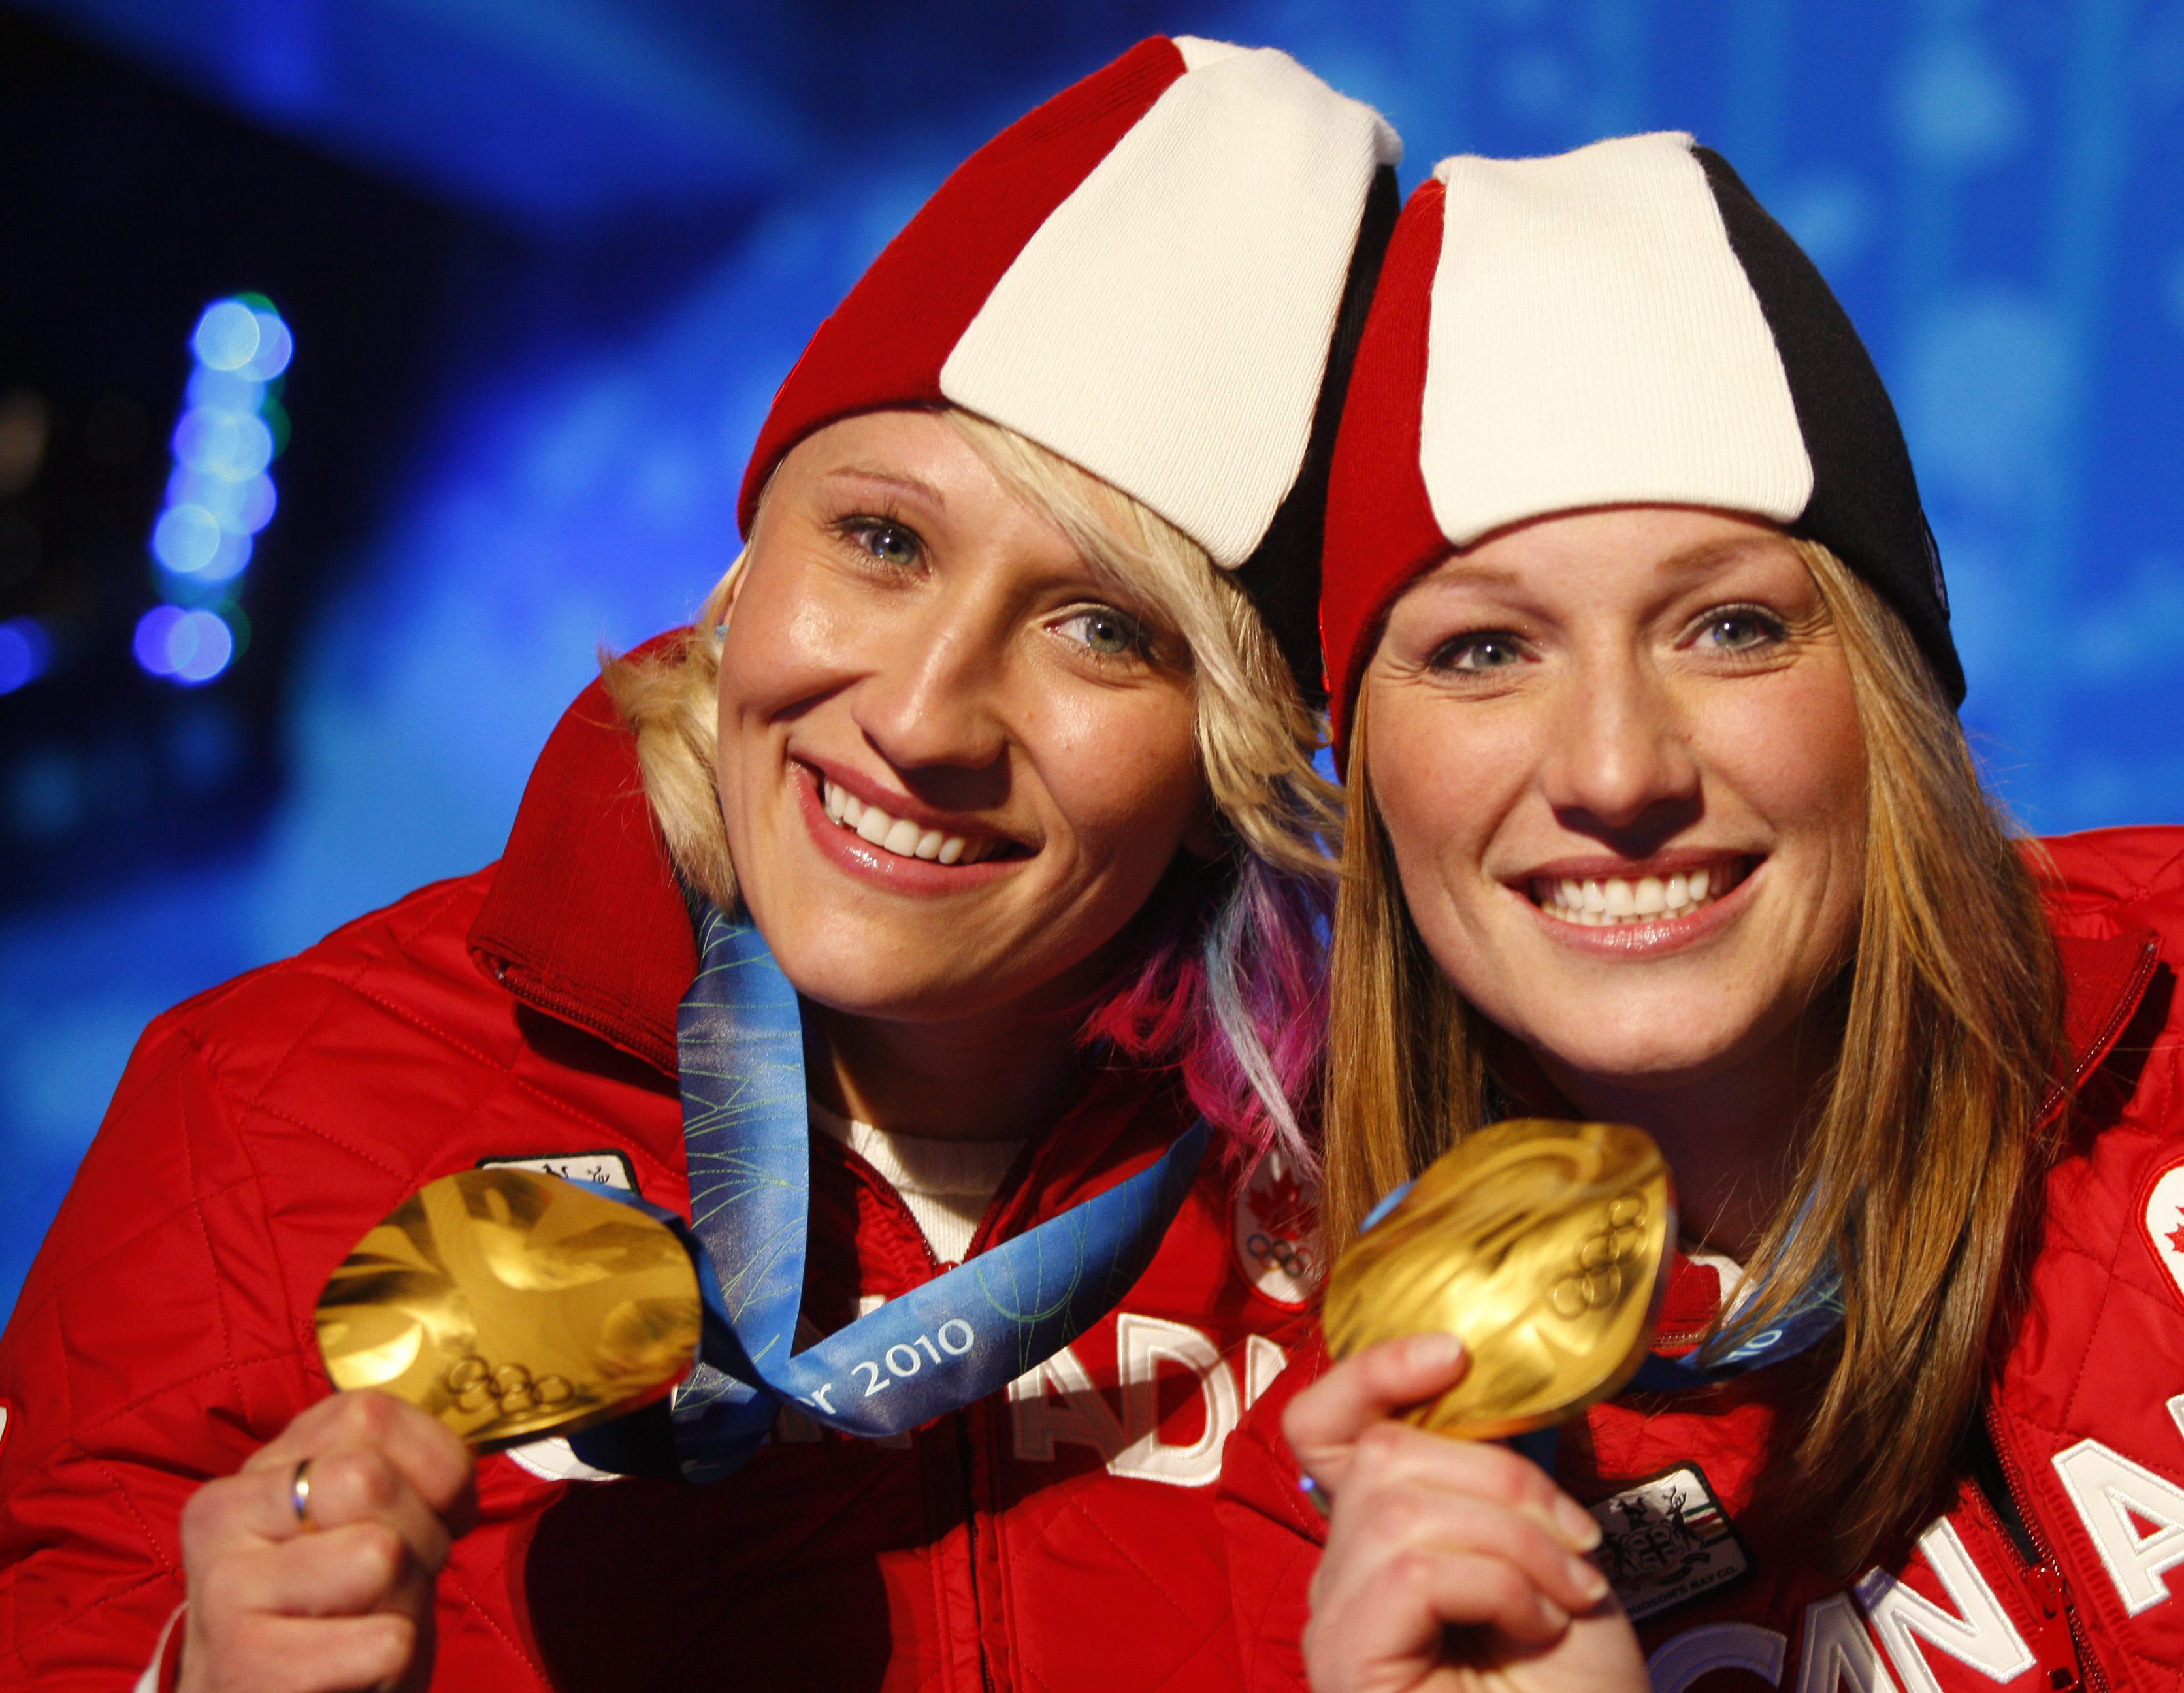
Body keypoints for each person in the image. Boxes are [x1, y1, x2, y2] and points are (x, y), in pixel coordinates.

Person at [0, 37, 1400, 1693]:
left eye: (1107, 629)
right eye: (881, 541)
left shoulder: (1386, 1188)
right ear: (745, 576)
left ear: (1235, 756)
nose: (925, 715)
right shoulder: (266, 1103)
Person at [1218, 133, 2184, 1693]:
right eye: (1483, 653)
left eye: (1730, 626)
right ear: (1360, 761)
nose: (1616, 768)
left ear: (1892, 686)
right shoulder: (1319, 1458)